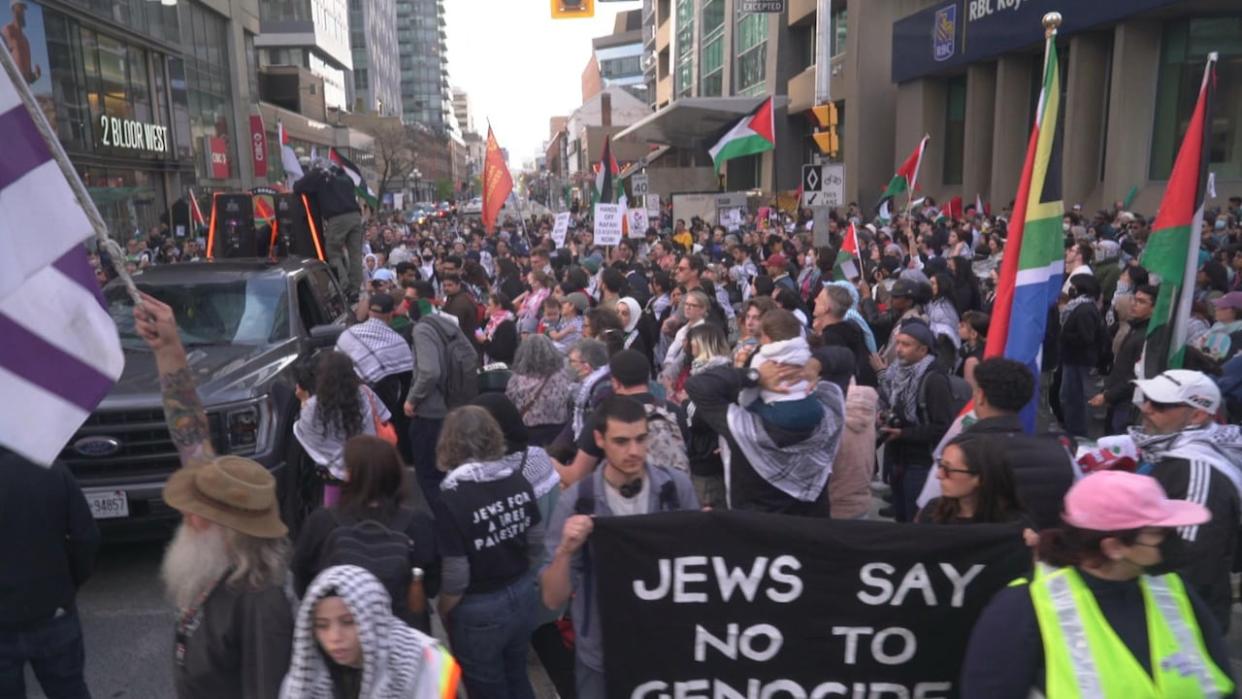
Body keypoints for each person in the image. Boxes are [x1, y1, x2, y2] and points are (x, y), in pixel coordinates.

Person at [131, 292, 295, 699]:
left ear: (233, 529)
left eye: (199, 512)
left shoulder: (261, 605)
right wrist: (169, 349)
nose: (187, 518)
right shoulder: (218, 571)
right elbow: (190, 433)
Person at [961, 471, 1234, 698]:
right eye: (1158, 534)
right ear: (1114, 547)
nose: (1172, 542)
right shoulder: (1022, 606)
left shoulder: (1172, 590)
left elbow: (1219, 679)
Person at [541, 396, 700, 695]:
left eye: (641, 439)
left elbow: (697, 567)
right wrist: (565, 551)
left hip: (666, 648)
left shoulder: (676, 489)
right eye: (622, 441)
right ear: (599, 439)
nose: (634, 451)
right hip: (602, 657)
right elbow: (552, 599)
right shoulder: (577, 502)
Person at [685, 311, 846, 516]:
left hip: (759, 530)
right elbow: (845, 358)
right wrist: (816, 364)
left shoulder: (743, 427)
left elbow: (698, 385)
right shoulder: (827, 411)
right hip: (812, 528)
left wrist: (754, 376)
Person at [433, 407, 543, 697]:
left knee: (487, 688)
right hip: (522, 593)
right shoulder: (517, 479)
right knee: (517, 675)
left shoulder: (451, 496)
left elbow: (457, 574)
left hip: (479, 607)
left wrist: (443, 608)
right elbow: (536, 543)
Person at [1127, 370, 1242, 632]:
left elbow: (1192, 561)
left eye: (1160, 404)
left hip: (1178, 620)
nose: (1146, 408)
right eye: (1147, 398)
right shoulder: (1171, 449)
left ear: (1198, 415)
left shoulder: (1198, 470)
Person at [291, 436, 439, 633]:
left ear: (350, 475)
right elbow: (433, 585)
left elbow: (302, 581)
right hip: (405, 637)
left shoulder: (322, 522)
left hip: (342, 641)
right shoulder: (418, 523)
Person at [0, 451, 100, 699]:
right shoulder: (53, 469)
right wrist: (67, 586)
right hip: (53, 610)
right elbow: (86, 538)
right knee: (70, 690)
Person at [280, 565, 459, 699]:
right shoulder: (306, 676)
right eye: (322, 625)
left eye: (348, 622)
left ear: (373, 618)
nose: (335, 637)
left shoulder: (425, 662)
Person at [877, 318, 954, 522]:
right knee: (901, 515)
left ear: (923, 350)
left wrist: (904, 433)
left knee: (915, 518)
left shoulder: (934, 380)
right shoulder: (900, 372)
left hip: (921, 461)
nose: (899, 349)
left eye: (906, 345)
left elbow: (941, 426)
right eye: (899, 343)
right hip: (899, 456)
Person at [402, 298, 476, 509]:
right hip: (453, 407)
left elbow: (429, 372)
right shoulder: (447, 324)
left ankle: (444, 520)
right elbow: (471, 355)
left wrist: (411, 400)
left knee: (429, 475)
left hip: (430, 413)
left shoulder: (422, 330)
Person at [295, 351, 390, 504]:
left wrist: (303, 401)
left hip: (336, 475)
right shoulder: (365, 393)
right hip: (370, 466)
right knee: (374, 512)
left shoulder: (314, 406)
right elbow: (384, 418)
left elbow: (304, 433)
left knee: (335, 516)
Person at [916, 435, 1032, 530]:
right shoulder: (933, 512)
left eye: (947, 469)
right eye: (940, 465)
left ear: (980, 478)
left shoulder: (1017, 526)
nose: (939, 475)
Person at [295, 164, 365, 302]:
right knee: (355, 254)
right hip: (356, 216)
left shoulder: (320, 175)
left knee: (333, 252)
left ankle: (342, 287)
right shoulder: (346, 177)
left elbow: (297, 187)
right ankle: (355, 289)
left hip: (338, 218)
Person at [1091, 284, 1155, 434]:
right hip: (1118, 399)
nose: (1134, 304)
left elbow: (1136, 375)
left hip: (1128, 403)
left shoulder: (1147, 336)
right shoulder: (1135, 328)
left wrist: (1109, 395)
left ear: (1154, 308)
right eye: (1134, 299)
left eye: (1141, 301)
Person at [334, 292, 414, 408]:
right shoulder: (397, 341)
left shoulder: (348, 334)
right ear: (391, 314)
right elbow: (407, 380)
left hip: (344, 398)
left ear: (369, 311)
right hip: (379, 405)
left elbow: (335, 366)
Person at [504, 334, 574, 446]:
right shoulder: (562, 374)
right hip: (559, 431)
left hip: (530, 431)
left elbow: (509, 403)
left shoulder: (517, 378)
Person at [1058, 274, 1103, 438]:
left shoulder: (1085, 310)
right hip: (1073, 360)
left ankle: (1082, 434)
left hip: (1082, 362)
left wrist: (1064, 335)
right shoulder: (1079, 307)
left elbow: (1087, 337)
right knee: (1070, 398)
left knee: (1078, 399)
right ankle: (1073, 432)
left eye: (1074, 286)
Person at [475, 291, 518, 365]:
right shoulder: (492, 320)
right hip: (488, 363)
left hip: (500, 367)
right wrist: (485, 320)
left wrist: (485, 342)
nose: (486, 307)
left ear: (498, 306)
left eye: (489, 305)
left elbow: (501, 351)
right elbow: (479, 331)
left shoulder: (507, 324)